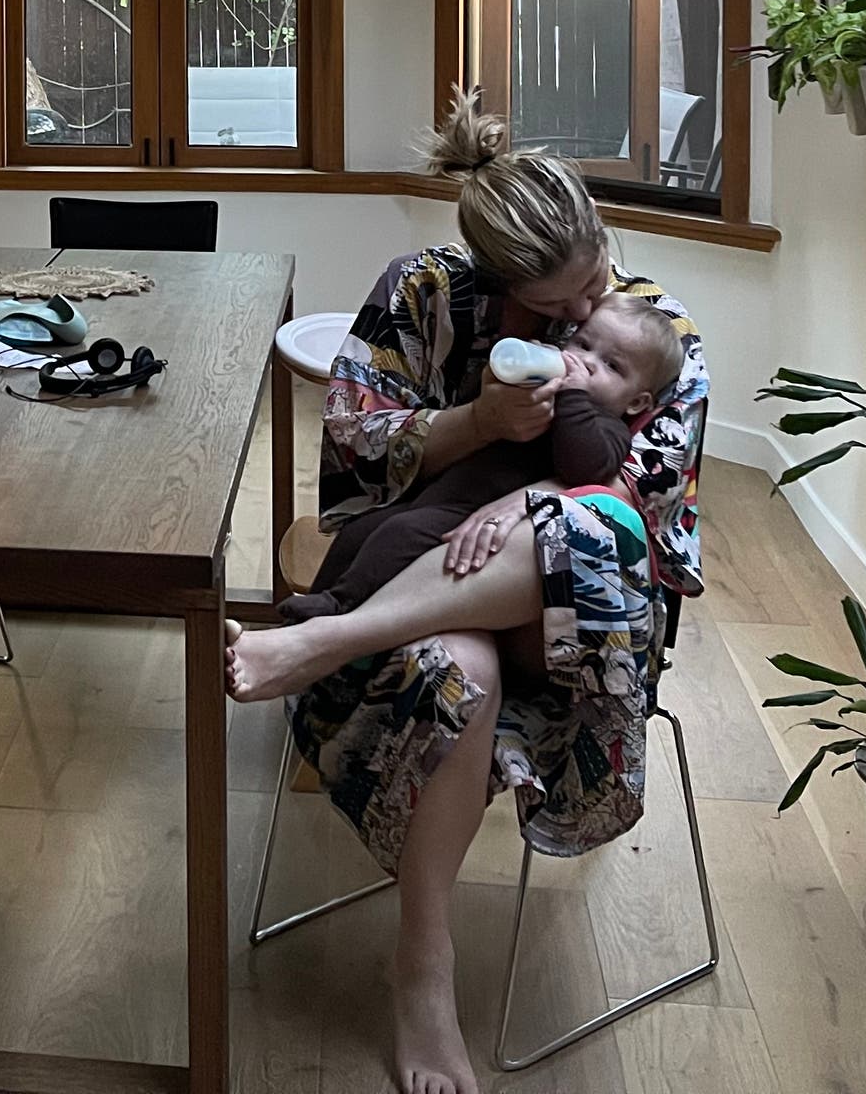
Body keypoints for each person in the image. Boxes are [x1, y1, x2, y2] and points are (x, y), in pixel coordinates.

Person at [227, 99, 710, 1094]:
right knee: (460, 667)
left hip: (577, 614)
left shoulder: (655, 329)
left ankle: (323, 643)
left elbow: (646, 508)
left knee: (575, 531)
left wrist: (538, 488)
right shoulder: (422, 291)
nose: (584, 318)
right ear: (498, 288)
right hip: (426, 566)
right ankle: (425, 965)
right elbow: (357, 452)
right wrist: (479, 423)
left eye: (595, 281)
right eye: (560, 305)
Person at [272, 292, 684, 625]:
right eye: (582, 344)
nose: (585, 364)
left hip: (471, 514)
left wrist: (573, 395)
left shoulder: (607, 429)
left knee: (399, 536)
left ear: (638, 402)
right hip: (439, 492)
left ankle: (340, 607)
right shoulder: (544, 392)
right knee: (362, 530)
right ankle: (317, 603)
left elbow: (584, 467)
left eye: (611, 365)